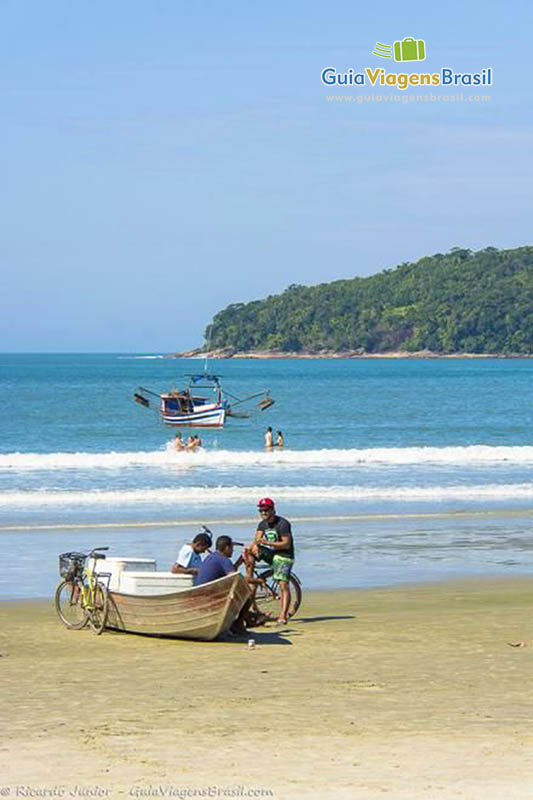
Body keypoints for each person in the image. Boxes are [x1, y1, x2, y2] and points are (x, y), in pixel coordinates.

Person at [246, 497, 295, 624]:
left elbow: (286, 544)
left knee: (283, 584)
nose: (263, 513)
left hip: (284, 555)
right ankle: (249, 579)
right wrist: (255, 546)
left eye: (266, 510)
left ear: (273, 510)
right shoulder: (262, 524)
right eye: (261, 511)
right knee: (248, 551)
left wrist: (267, 542)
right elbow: (256, 539)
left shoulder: (283, 523)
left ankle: (283, 615)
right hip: (271, 553)